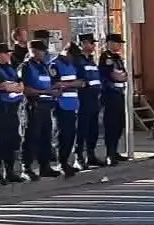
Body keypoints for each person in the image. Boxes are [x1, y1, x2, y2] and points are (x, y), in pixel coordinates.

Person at [19, 39, 59, 180]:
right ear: (33, 51)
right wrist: (47, 92)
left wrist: (55, 90)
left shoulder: (44, 66)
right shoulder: (26, 67)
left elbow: (49, 83)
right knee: (31, 137)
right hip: (33, 106)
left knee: (45, 137)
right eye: (42, 51)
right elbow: (26, 89)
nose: (44, 54)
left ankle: (45, 166)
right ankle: (27, 167)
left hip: (46, 106)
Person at [0, 42, 25, 184]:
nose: (8, 55)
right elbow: (0, 86)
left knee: (11, 140)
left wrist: (11, 86)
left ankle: (9, 171)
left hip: (12, 108)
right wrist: (10, 86)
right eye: (4, 53)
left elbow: (20, 86)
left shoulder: (11, 68)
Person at [51, 43, 83, 177]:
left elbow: (81, 83)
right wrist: (71, 84)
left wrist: (67, 85)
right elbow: (55, 84)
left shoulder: (71, 65)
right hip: (61, 104)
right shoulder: (55, 64)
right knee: (62, 135)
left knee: (71, 135)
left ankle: (66, 162)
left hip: (72, 104)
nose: (73, 59)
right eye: (72, 56)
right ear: (67, 52)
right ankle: (61, 162)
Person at [99, 32, 129, 164]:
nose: (119, 46)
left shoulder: (117, 57)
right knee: (111, 125)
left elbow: (125, 75)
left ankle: (115, 151)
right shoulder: (106, 57)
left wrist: (121, 76)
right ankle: (110, 154)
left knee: (119, 124)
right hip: (110, 93)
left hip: (119, 92)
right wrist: (120, 76)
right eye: (117, 43)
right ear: (110, 43)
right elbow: (113, 75)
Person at [74, 33, 103, 168]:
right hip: (82, 99)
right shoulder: (77, 61)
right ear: (84, 44)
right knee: (82, 129)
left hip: (93, 98)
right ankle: (78, 156)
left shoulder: (91, 60)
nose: (93, 46)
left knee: (93, 129)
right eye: (91, 43)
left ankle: (91, 155)